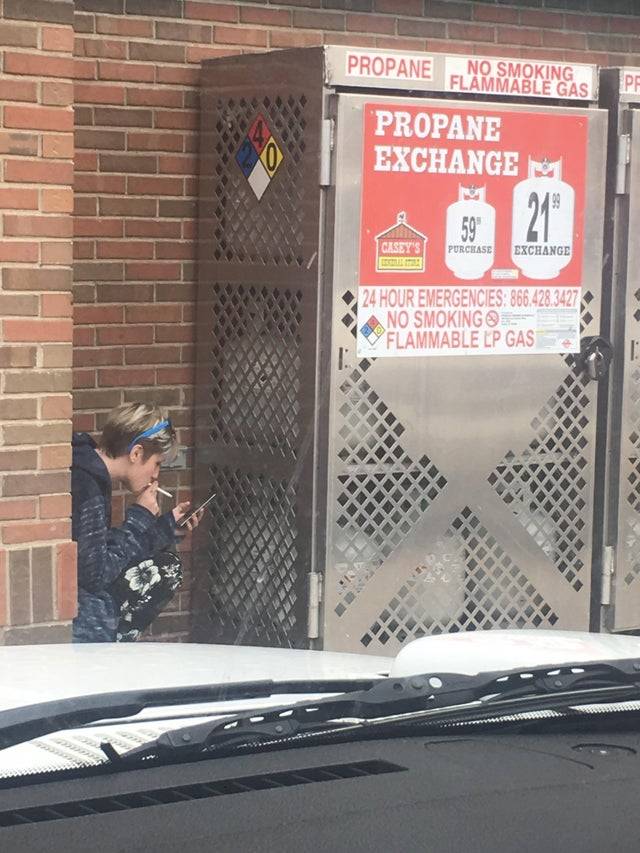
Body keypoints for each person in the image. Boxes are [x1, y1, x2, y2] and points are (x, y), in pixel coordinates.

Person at [71, 402, 202, 643]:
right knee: (166, 570)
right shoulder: (88, 485)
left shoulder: (87, 469)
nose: (156, 475)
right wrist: (139, 517)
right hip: (80, 621)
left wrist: (165, 528)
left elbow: (99, 551)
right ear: (136, 453)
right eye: (157, 463)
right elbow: (95, 575)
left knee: (165, 563)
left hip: (76, 601)